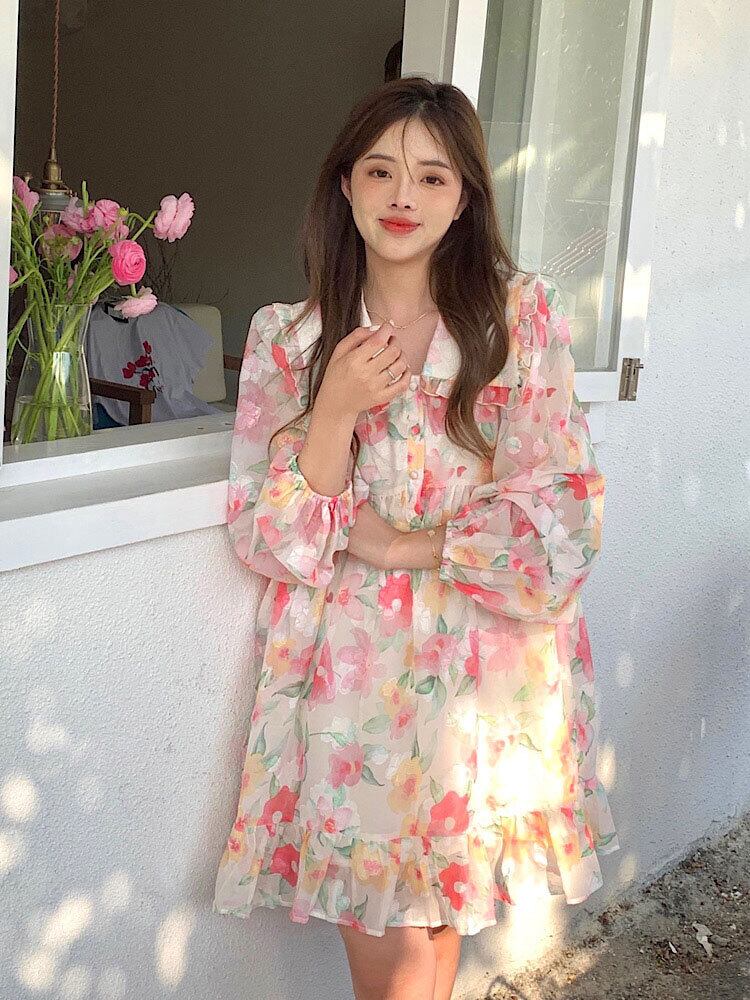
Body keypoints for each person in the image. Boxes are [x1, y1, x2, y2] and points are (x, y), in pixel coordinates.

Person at [212, 76, 620, 1000]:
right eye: (380, 171)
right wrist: (334, 409)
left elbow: (561, 521)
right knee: (393, 953)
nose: (403, 196)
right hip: (350, 673)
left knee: (432, 936)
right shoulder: (290, 337)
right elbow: (273, 539)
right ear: (345, 186)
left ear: (465, 197)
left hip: (485, 668)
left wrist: (405, 546)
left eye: (433, 177)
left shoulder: (518, 318)